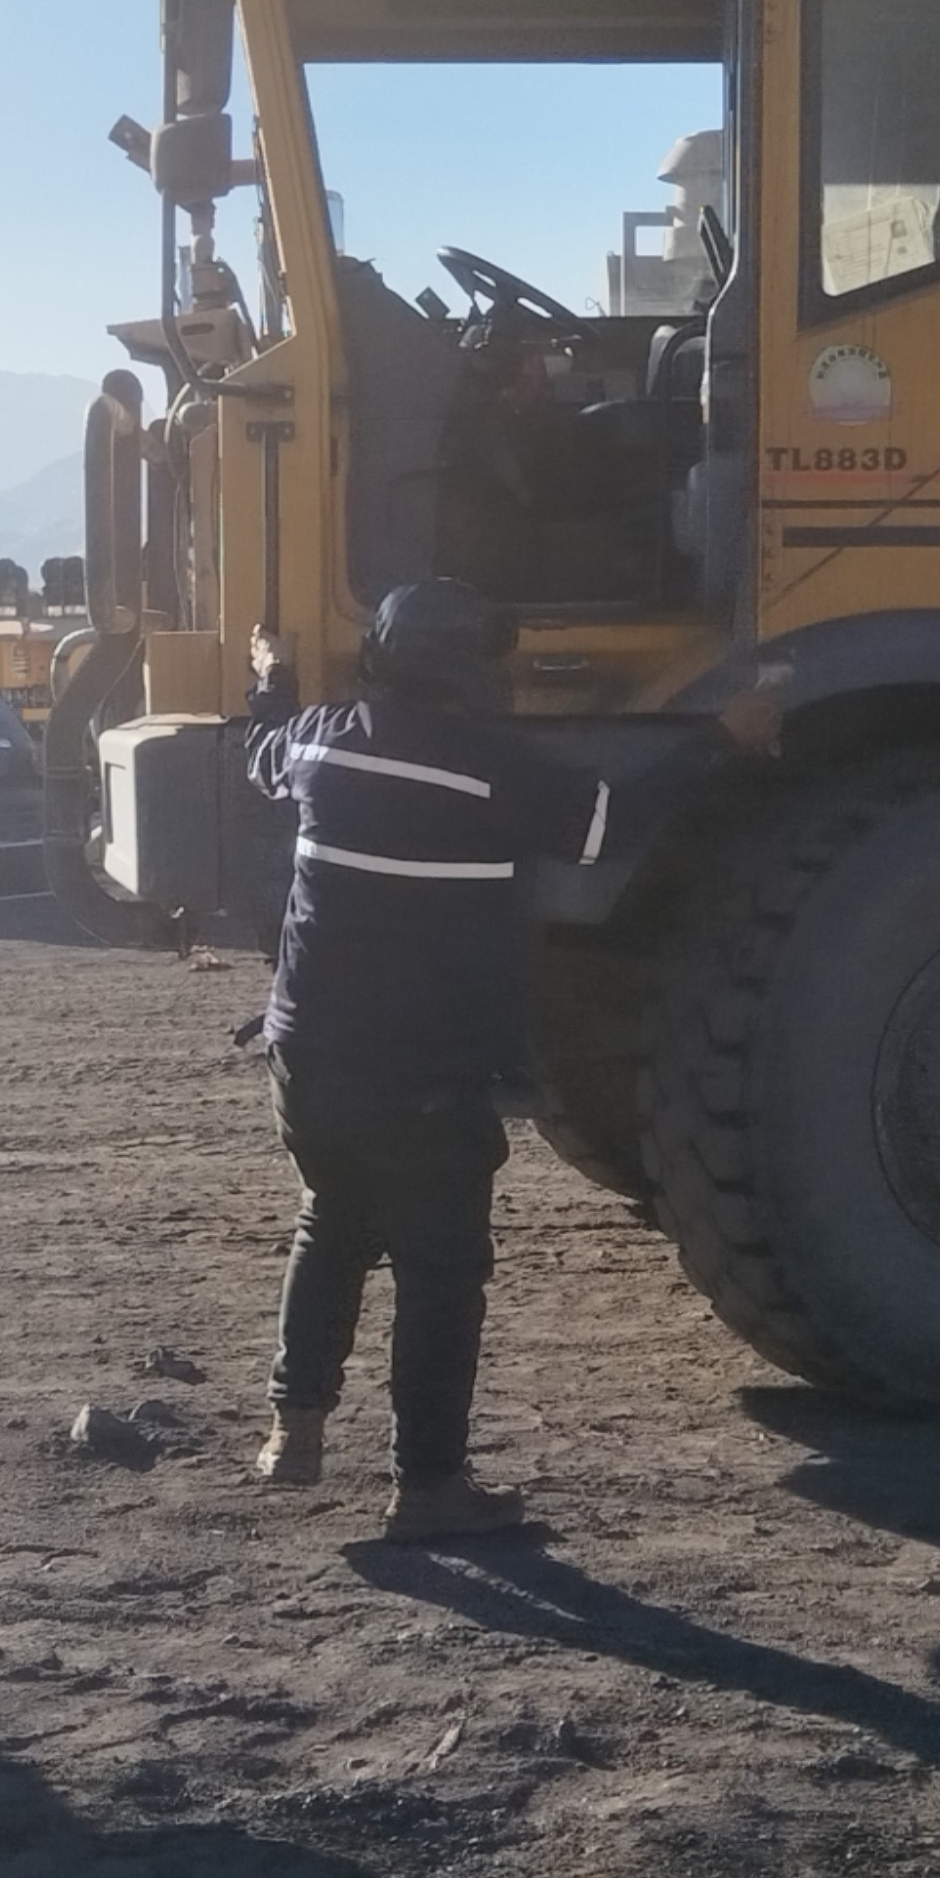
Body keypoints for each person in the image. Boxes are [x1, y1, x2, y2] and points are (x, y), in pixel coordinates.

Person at [238, 578, 620, 1543]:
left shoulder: (320, 741)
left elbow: (261, 750)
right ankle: (429, 1488)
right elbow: (606, 826)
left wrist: (271, 680)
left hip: (304, 1057)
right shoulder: (491, 769)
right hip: (423, 1076)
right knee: (440, 1271)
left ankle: (294, 1434)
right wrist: (727, 744)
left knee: (331, 1221)